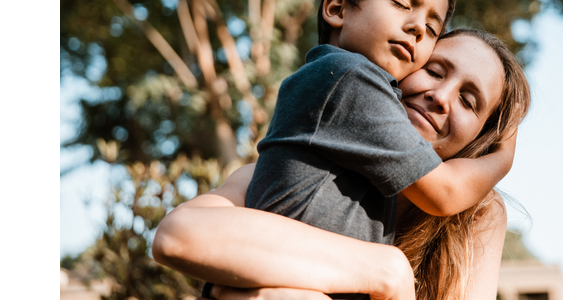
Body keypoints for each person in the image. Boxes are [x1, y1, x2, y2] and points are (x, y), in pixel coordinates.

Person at [153, 29, 531, 300]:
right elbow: (179, 234)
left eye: (469, 101)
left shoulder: (476, 216)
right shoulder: (297, 173)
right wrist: (384, 271)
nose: (441, 96)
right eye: (434, 71)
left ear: (479, 139)